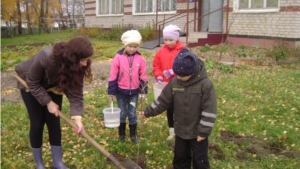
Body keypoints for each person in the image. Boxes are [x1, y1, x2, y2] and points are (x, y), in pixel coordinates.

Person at [15, 36, 93, 169]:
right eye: (83, 60)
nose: (85, 64)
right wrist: (48, 102)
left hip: (53, 86)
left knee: (54, 122)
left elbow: (76, 93)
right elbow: (32, 82)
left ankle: (57, 162)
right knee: (37, 123)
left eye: (87, 59)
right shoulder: (47, 56)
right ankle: (39, 164)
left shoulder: (77, 66)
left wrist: (77, 118)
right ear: (72, 58)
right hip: (30, 84)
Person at [140, 48, 217, 169]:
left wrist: (203, 131)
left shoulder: (205, 85)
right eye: (177, 74)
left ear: (191, 72)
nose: (178, 77)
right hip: (181, 130)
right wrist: (147, 111)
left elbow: (210, 110)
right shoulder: (175, 83)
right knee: (180, 159)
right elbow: (163, 101)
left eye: (182, 75)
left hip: (197, 131)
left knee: (200, 160)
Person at [108, 30, 148, 143]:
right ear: (125, 45)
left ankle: (133, 135)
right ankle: (121, 135)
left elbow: (143, 76)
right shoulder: (118, 57)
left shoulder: (140, 58)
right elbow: (113, 75)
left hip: (134, 93)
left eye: (135, 47)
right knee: (122, 113)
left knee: (131, 113)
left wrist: (143, 92)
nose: (132, 49)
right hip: (121, 92)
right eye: (130, 46)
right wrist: (111, 92)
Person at [152, 24, 186, 140]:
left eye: (170, 40)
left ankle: (181, 130)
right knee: (170, 108)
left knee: (179, 108)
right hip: (166, 86)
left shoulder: (182, 51)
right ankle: (172, 131)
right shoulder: (161, 52)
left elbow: (186, 67)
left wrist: (174, 71)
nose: (168, 42)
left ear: (176, 39)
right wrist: (159, 76)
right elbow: (156, 66)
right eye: (165, 40)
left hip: (180, 85)